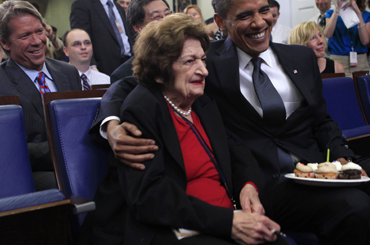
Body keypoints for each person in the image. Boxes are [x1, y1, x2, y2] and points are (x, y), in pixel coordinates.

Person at [91, 0, 370, 245]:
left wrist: (342, 159)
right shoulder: (205, 62)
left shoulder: (300, 57)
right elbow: (132, 79)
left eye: (264, 10)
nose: (259, 22)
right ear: (221, 21)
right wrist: (112, 124)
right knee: (354, 207)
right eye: (245, 15)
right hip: (266, 180)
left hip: (319, 164)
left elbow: (322, 119)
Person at [80, 13, 288, 245]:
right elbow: (150, 197)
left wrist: (249, 187)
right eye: (189, 62)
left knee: (275, 241)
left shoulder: (201, 102)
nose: (203, 70)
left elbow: (235, 149)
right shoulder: (143, 110)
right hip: (177, 226)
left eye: (203, 60)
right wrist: (226, 222)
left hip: (225, 215)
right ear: (159, 71)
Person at [0, 0, 81, 190]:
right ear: (4, 43)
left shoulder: (68, 72)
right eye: (25, 35)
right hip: (32, 175)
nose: (37, 41)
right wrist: (62, 149)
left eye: (39, 31)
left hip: (79, 162)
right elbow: (8, 149)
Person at [70, 0, 134, 75]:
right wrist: (91, 66)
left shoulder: (118, 8)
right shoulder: (83, 5)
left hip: (128, 65)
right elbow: (81, 39)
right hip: (102, 68)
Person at [109, 0, 172, 83]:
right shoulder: (123, 75)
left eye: (168, 14)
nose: (166, 21)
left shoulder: (189, 58)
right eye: (157, 17)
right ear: (138, 27)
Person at [324, 0, 370, 76]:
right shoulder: (330, 13)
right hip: (338, 60)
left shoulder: (366, 15)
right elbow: (328, 34)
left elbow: (365, 41)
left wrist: (357, 11)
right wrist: (337, 8)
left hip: (360, 61)